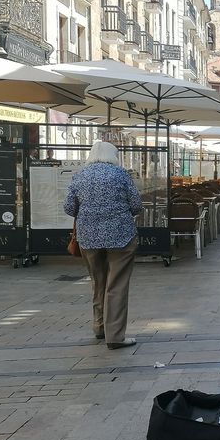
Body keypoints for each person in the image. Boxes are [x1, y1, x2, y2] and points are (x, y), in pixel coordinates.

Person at [63, 140, 142, 350]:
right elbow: (136, 205)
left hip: (89, 237)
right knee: (117, 285)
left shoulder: (80, 175)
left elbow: (69, 207)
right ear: (113, 155)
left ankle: (99, 326)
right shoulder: (120, 174)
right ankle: (115, 336)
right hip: (121, 236)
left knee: (98, 281)